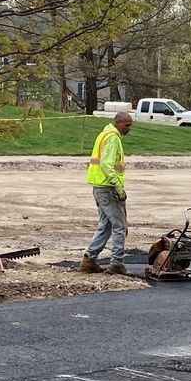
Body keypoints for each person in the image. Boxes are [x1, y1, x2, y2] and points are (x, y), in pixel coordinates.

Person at [82, 111, 132, 275]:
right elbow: (106, 164)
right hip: (108, 188)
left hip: (99, 187)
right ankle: (117, 263)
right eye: (127, 125)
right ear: (117, 122)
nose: (129, 129)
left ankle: (89, 259)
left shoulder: (104, 134)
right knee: (119, 226)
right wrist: (118, 186)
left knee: (106, 224)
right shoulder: (112, 137)